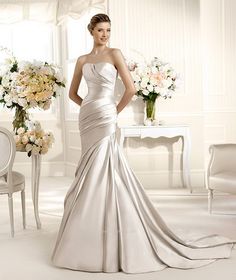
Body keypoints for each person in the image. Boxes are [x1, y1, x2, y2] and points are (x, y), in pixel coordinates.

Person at [51, 13, 234, 274]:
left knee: (105, 167)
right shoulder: (81, 60)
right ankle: (89, 228)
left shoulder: (115, 54)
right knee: (88, 168)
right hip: (88, 118)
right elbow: (72, 93)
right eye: (101, 30)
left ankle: (109, 228)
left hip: (105, 114)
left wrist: (113, 111)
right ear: (91, 31)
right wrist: (87, 108)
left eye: (108, 30)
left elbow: (131, 89)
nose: (105, 34)